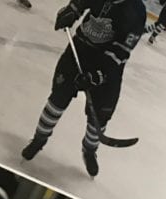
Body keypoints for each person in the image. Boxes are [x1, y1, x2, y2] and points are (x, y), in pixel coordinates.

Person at [20, 0, 147, 177]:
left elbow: (120, 53)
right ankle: (39, 139)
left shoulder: (136, 11)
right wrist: (72, 10)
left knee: (100, 117)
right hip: (78, 50)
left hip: (106, 65)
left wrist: (97, 76)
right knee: (57, 100)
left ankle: (89, 149)